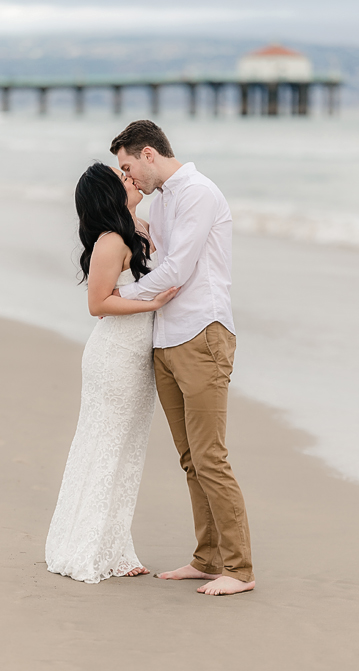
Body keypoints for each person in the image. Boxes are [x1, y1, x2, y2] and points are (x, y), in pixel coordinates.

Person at [111, 119, 254, 597]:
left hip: (202, 332)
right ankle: (207, 557)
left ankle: (239, 569)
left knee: (211, 457)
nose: (129, 178)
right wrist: (136, 221)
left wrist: (122, 297)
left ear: (149, 153)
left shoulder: (197, 192)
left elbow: (178, 270)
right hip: (166, 337)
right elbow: (163, 259)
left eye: (129, 167)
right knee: (190, 459)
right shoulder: (163, 200)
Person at [45, 162, 178, 583]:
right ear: (108, 195)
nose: (132, 180)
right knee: (104, 446)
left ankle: (117, 548)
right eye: (122, 178)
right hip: (114, 356)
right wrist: (152, 305)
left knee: (129, 449)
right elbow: (98, 304)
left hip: (138, 357)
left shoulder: (141, 229)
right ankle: (86, 547)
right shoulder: (110, 241)